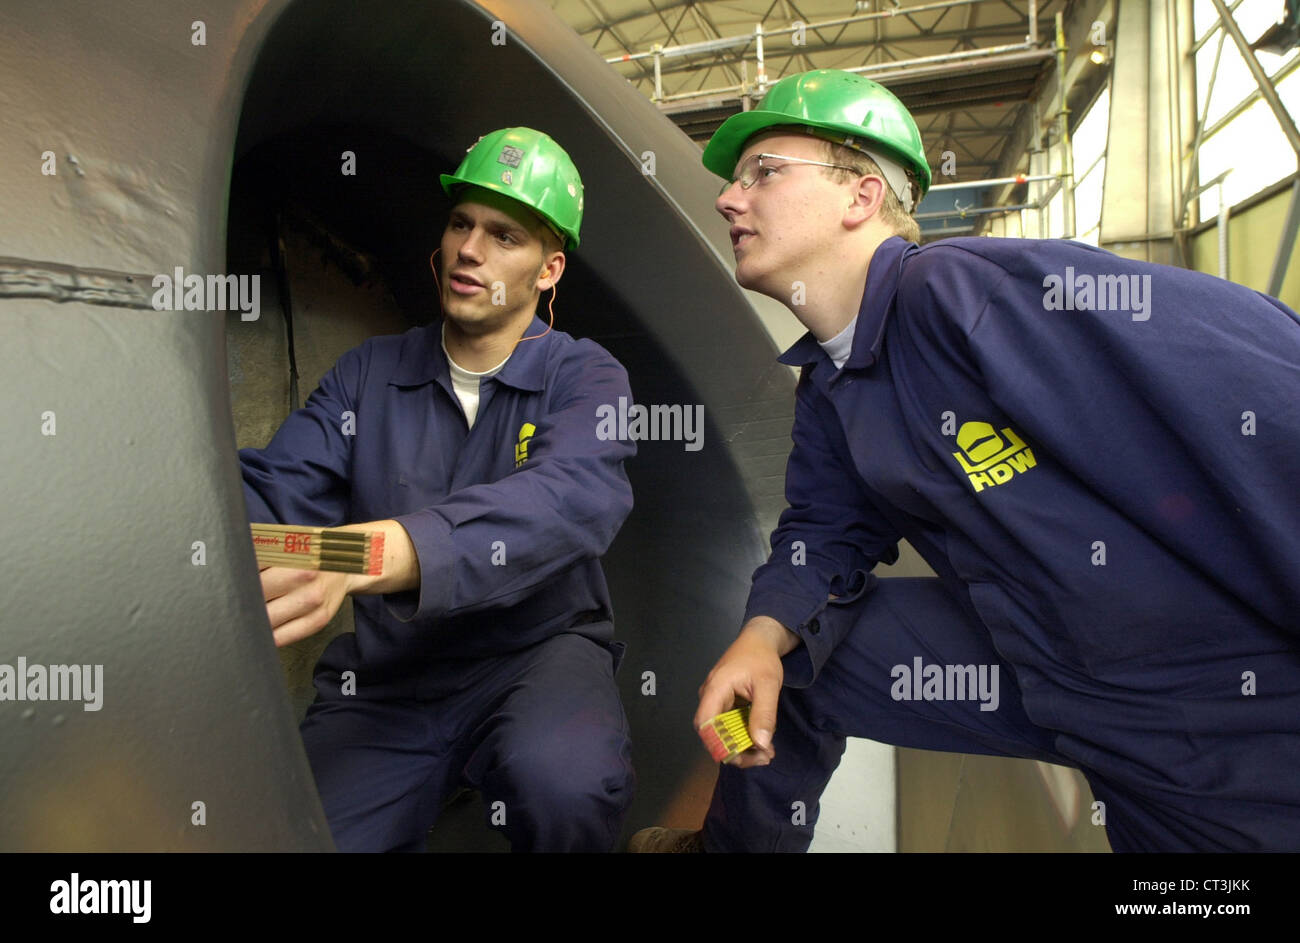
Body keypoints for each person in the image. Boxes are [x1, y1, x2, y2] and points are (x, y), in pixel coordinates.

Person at [630, 69, 1300, 853]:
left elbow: (1264, 393)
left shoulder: (972, 294)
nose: (728, 199)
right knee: (799, 663)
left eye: (764, 172)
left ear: (861, 196)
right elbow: (828, 528)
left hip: (1216, 712)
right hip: (1043, 665)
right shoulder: (831, 376)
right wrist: (764, 630)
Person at [240, 127, 637, 852]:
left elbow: (573, 497)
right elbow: (275, 489)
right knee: (302, 835)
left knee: (566, 780)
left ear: (548, 270)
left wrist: (369, 553)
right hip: (392, 678)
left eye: (504, 235)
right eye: (461, 223)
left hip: (536, 656)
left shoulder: (585, 376)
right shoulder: (370, 373)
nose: (470, 250)